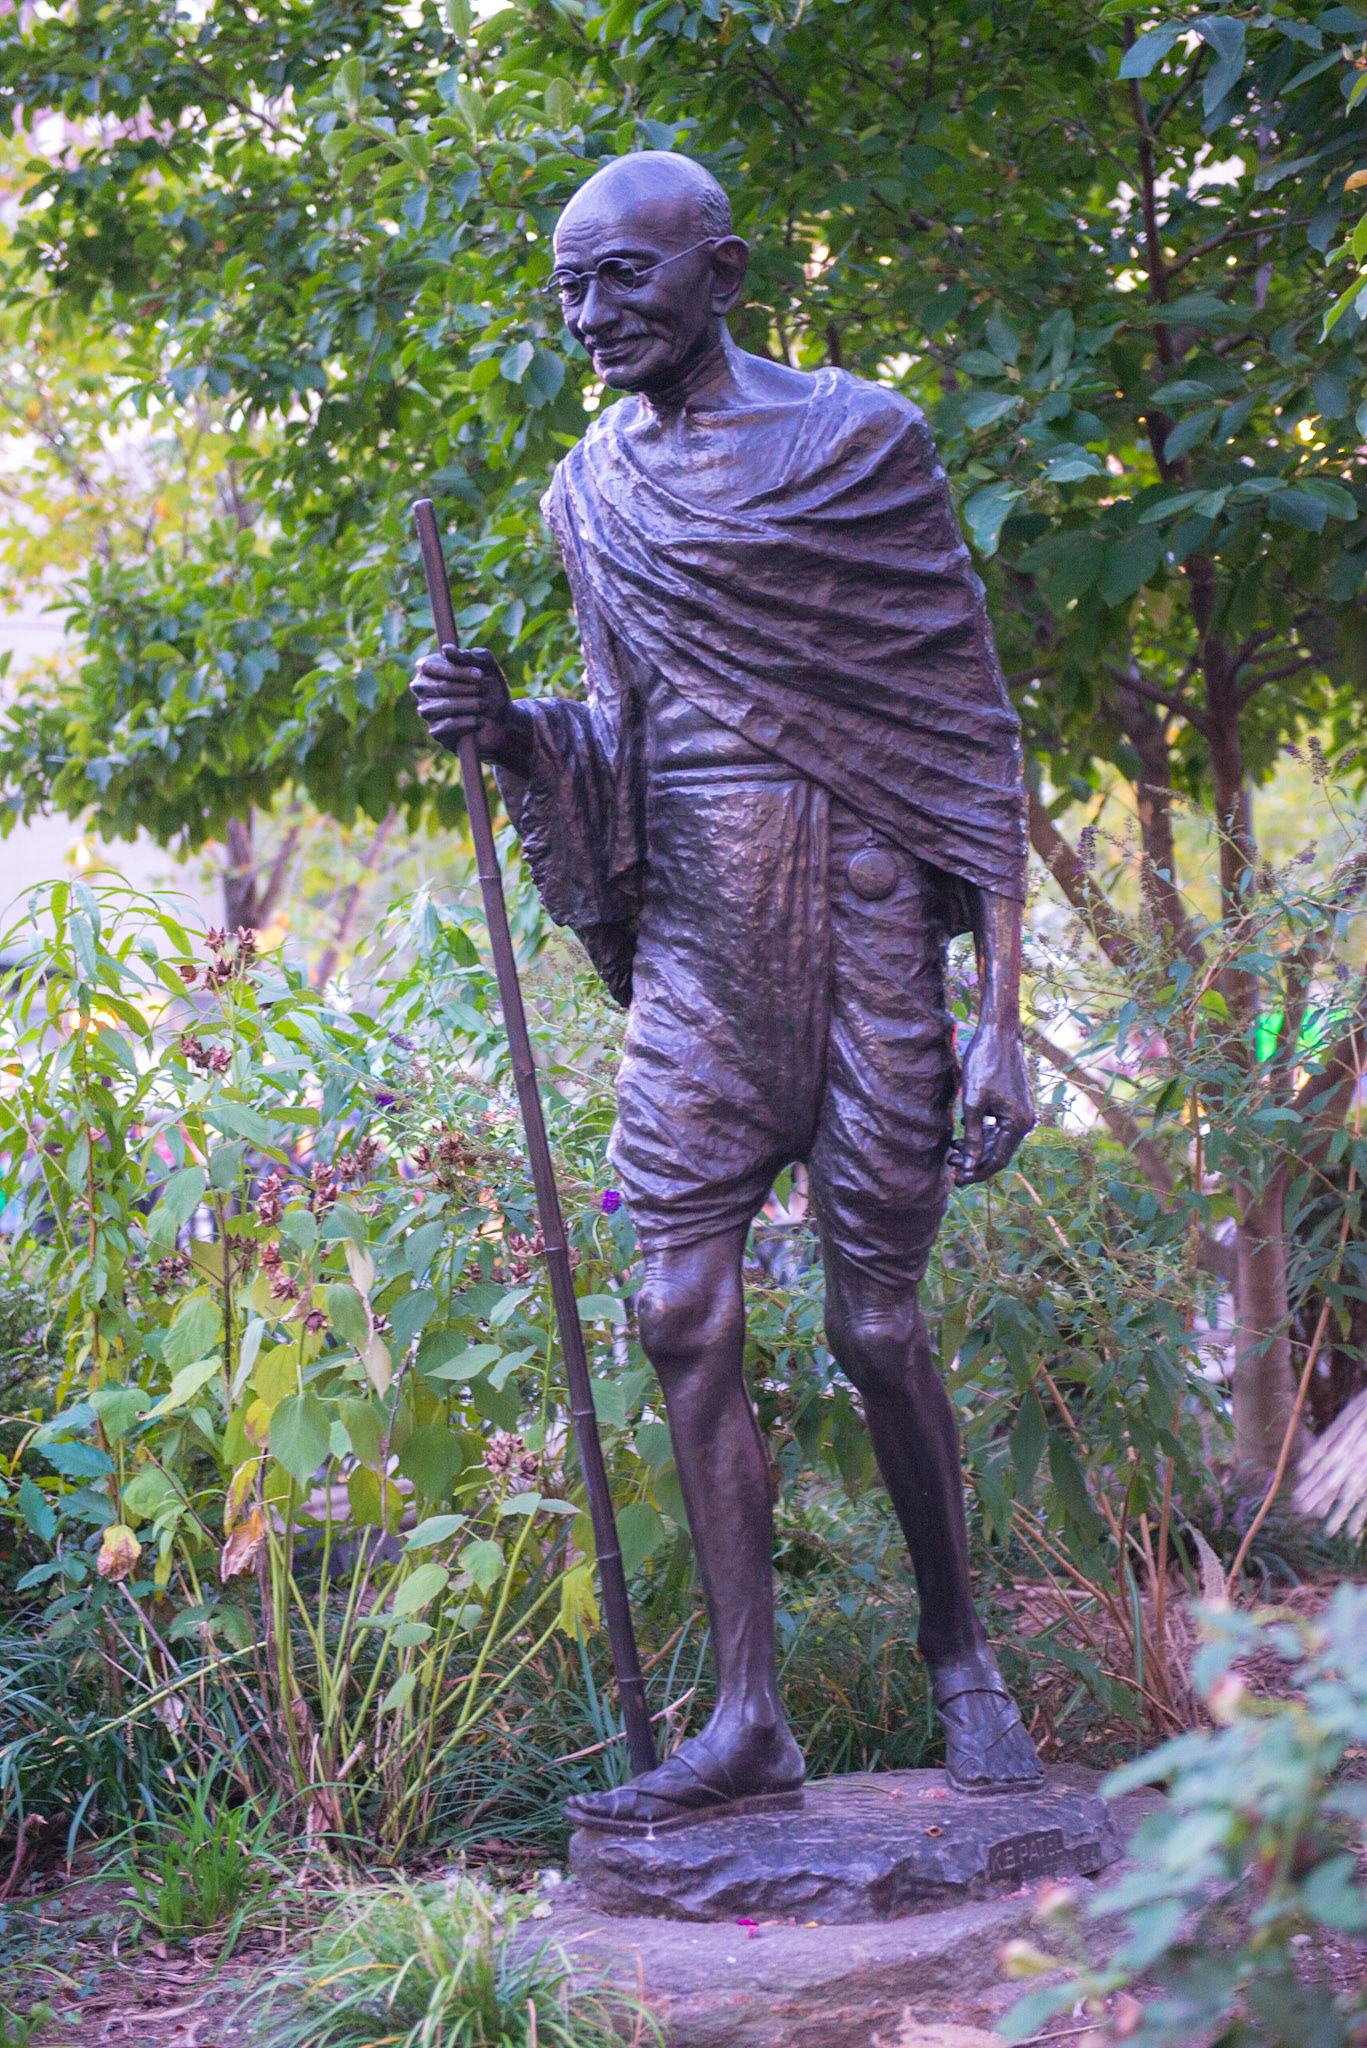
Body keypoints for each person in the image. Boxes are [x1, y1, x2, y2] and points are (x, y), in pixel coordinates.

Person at [412, 151, 1042, 1829]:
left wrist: (1001, 1014)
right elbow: (616, 729)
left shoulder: (860, 443)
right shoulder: (589, 493)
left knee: (875, 1324)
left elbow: (970, 731)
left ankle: (963, 1660)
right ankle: (748, 1718)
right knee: (679, 1312)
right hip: (699, 938)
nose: (592, 313)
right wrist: (516, 730)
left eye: (623, 276)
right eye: (570, 287)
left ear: (725, 271)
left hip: (862, 922)